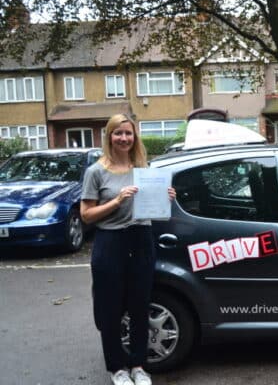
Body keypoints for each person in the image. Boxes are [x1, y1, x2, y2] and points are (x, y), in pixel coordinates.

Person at [80, 114, 176, 385]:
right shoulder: (96, 171)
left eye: (128, 133)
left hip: (141, 239)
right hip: (110, 242)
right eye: (118, 133)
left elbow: (155, 212)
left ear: (135, 137)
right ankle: (118, 369)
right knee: (109, 309)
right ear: (109, 136)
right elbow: (86, 215)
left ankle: (138, 366)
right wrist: (117, 201)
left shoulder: (143, 168)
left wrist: (166, 198)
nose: (123, 138)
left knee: (139, 306)